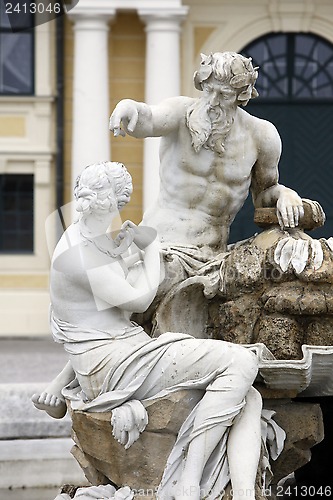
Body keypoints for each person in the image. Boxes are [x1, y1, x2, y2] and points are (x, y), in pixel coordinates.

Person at [33, 161, 264, 500]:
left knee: (248, 396)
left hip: (124, 354)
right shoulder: (79, 254)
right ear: (108, 202)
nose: (122, 205)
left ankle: (244, 495)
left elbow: (105, 318)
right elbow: (139, 301)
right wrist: (150, 249)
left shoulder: (86, 240)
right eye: (119, 198)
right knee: (241, 363)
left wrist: (129, 258)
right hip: (116, 368)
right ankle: (188, 480)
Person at [109, 51, 307, 258]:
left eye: (224, 95)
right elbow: (148, 119)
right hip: (161, 244)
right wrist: (129, 107)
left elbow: (264, 193)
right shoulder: (180, 113)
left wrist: (284, 194)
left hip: (213, 251)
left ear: (241, 96)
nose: (213, 101)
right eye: (209, 90)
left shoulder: (261, 136)